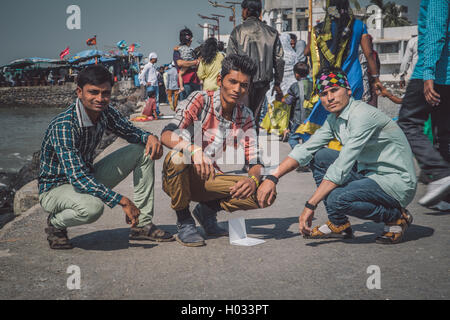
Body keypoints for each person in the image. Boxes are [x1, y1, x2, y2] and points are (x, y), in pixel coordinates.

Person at [258, 68, 417, 245]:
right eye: (324, 93)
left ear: (348, 90)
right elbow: (306, 149)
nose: (330, 98)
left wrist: (310, 204)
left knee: (337, 198)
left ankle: (395, 216)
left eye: (334, 90)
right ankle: (338, 223)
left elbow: (341, 167)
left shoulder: (361, 115)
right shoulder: (334, 119)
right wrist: (273, 177)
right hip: (369, 174)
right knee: (320, 156)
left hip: (395, 182)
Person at [38, 65, 173, 250]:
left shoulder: (105, 112)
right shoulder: (64, 126)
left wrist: (149, 137)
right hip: (56, 189)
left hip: (86, 176)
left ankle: (142, 224)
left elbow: (129, 130)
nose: (100, 99)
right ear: (79, 92)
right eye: (93, 92)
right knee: (93, 208)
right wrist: (122, 201)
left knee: (143, 150)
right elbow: (77, 178)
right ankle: (56, 223)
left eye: (105, 93)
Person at [160, 54, 272, 247]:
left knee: (265, 193)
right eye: (233, 82)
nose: (238, 89)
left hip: (209, 177)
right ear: (220, 80)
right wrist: (194, 150)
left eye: (244, 85)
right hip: (179, 175)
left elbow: (255, 160)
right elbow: (166, 134)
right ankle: (184, 220)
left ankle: (207, 210)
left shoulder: (245, 115)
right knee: (177, 157)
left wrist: (253, 180)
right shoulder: (200, 100)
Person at [298, 0, 382, 141]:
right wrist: (376, 78)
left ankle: (326, 148)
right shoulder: (359, 25)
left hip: (329, 81)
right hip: (353, 80)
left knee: (325, 114)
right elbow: (368, 54)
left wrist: (310, 33)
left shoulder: (319, 29)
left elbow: (307, 52)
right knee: (350, 116)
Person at [397, 0, 450, 209]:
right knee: (443, 134)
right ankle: (447, 197)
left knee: (407, 122)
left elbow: (436, 30)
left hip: (433, 72)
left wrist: (428, 72)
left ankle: (439, 173)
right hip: (446, 74)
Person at [227, 0, 285, 134]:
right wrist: (277, 82)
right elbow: (279, 60)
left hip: (241, 83)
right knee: (254, 117)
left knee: (240, 118)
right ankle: (252, 148)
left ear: (246, 11)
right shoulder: (272, 33)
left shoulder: (237, 31)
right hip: (263, 83)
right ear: (259, 12)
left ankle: (242, 149)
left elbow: (230, 60)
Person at [282, 62, 313, 150]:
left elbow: (289, 101)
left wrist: (281, 100)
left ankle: (298, 153)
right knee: (306, 138)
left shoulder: (295, 86)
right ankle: (306, 156)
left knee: (292, 138)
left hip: (298, 119)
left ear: (296, 74)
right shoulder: (313, 85)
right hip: (310, 119)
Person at [173, 28, 201, 101]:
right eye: (191, 37)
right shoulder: (177, 51)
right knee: (186, 106)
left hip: (195, 81)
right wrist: (194, 62)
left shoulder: (191, 50)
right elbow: (180, 63)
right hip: (186, 83)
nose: (192, 40)